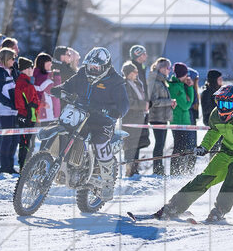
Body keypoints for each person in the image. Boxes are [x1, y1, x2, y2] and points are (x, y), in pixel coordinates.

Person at [146, 84, 233, 223]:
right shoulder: (216, 115)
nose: (223, 108)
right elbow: (213, 132)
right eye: (220, 103)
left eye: (227, 104)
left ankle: (220, 209)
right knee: (204, 178)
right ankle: (174, 207)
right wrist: (204, 147)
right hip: (227, 151)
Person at [57, 46, 129, 202]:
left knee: (99, 141)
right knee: (65, 130)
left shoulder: (115, 81)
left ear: (105, 66)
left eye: (96, 67)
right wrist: (60, 89)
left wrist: (117, 112)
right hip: (82, 114)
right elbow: (69, 84)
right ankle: (61, 165)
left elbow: (124, 103)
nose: (92, 69)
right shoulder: (82, 73)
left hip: (103, 119)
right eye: (90, 66)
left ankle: (107, 181)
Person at [0, 48, 19, 174]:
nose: (14, 61)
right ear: (5, 59)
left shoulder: (10, 71)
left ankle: (10, 165)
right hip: (3, 110)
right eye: (12, 59)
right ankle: (4, 165)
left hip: (12, 110)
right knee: (6, 138)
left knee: (14, 138)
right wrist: (10, 104)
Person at [147, 57, 176, 176]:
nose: (169, 70)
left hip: (163, 117)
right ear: (162, 68)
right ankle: (157, 169)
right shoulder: (155, 81)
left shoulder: (162, 81)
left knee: (161, 144)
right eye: (168, 68)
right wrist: (169, 102)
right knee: (159, 144)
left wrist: (171, 104)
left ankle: (159, 168)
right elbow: (154, 101)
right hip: (157, 117)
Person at [121, 60, 150, 176]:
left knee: (137, 144)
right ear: (128, 73)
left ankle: (135, 168)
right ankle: (130, 170)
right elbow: (129, 102)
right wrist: (143, 105)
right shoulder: (125, 85)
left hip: (139, 118)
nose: (137, 73)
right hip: (130, 119)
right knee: (130, 145)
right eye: (134, 71)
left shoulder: (137, 83)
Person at [169, 62, 197, 176]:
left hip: (184, 121)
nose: (187, 77)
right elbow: (186, 105)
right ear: (182, 74)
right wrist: (190, 88)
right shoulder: (175, 86)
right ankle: (174, 172)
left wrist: (189, 88)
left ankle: (181, 171)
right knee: (178, 148)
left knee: (185, 148)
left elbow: (189, 101)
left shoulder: (181, 85)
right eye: (186, 74)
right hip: (178, 121)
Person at [14, 56, 41, 170]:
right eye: (31, 68)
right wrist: (33, 117)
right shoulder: (26, 84)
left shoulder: (22, 81)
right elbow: (32, 103)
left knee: (24, 143)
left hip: (23, 116)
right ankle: (25, 167)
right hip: (28, 117)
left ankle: (23, 165)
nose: (32, 70)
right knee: (28, 143)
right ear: (25, 69)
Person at [33, 52, 60, 121]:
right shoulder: (41, 77)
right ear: (42, 63)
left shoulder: (46, 76)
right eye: (48, 62)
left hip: (48, 112)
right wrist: (57, 76)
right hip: (46, 113)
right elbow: (55, 91)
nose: (51, 64)